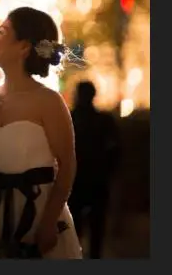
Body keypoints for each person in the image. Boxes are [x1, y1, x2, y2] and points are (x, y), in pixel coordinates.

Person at [0, 6, 83, 258]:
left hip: (40, 212)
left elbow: (67, 165)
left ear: (24, 47)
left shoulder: (49, 101)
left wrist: (48, 223)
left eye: (1, 32)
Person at [69, 80, 120, 259]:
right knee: (96, 228)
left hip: (75, 181)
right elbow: (115, 150)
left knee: (74, 229)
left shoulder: (70, 118)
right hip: (97, 181)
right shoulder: (104, 120)